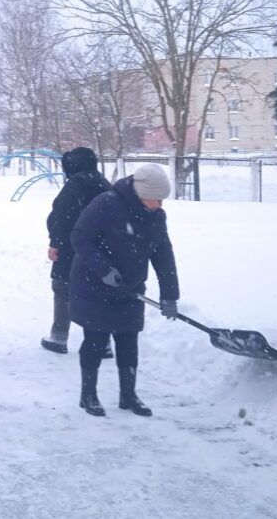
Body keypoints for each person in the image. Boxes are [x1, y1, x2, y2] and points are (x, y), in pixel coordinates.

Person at [69, 163, 180, 418]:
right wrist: (104, 269)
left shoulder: (155, 216)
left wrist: (170, 295)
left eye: (162, 200)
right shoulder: (106, 204)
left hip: (129, 289)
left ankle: (128, 395)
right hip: (94, 285)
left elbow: (163, 254)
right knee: (95, 341)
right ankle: (88, 394)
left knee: (129, 342)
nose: (159, 205)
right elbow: (79, 237)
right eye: (155, 199)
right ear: (141, 193)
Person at [42, 147, 112, 355]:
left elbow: (62, 217)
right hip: (101, 249)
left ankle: (59, 337)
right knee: (99, 292)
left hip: (71, 247)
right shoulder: (105, 185)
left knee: (62, 287)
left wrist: (55, 243)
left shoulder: (75, 185)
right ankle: (103, 342)